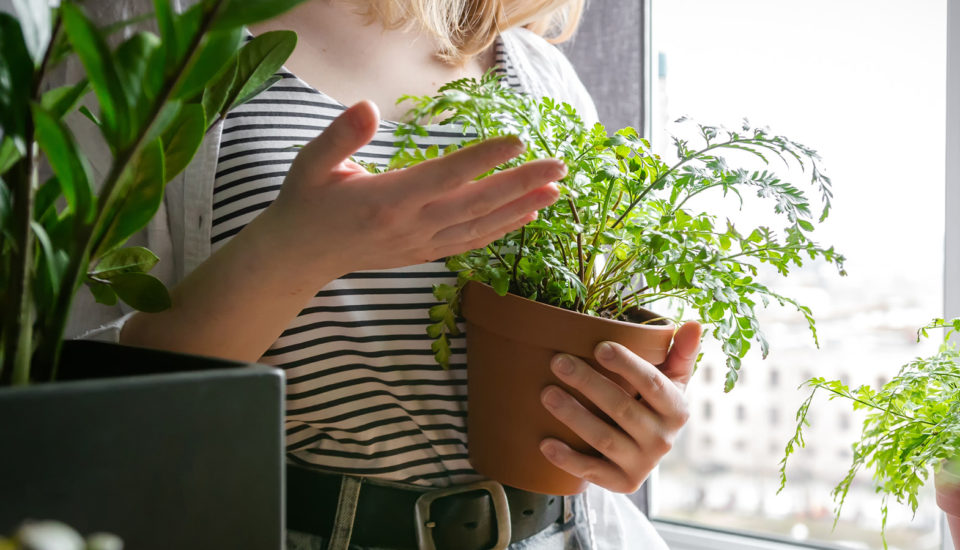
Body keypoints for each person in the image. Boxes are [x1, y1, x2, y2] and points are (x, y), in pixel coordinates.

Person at [66, 1, 702, 548]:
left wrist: (625, 423)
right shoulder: (143, 30)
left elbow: (591, 330)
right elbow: (64, 407)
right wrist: (294, 252)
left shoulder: (535, 71)